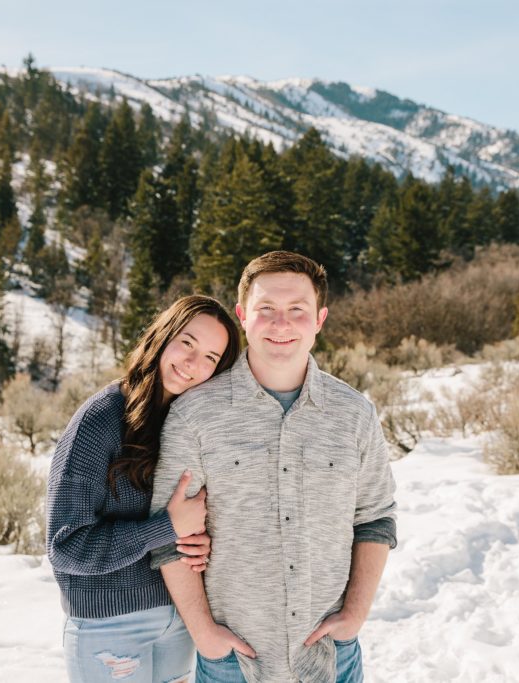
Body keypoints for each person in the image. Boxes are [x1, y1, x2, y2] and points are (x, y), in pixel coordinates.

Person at [149, 251, 398, 683]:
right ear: (244, 316)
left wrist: (355, 615)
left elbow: (375, 518)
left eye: (297, 310)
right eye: (267, 310)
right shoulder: (196, 415)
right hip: (233, 664)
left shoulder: (354, 414)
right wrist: (204, 634)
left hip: (331, 660)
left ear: (319, 319)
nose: (281, 324)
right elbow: (168, 535)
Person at [46, 295, 241, 683]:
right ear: (162, 335)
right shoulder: (101, 418)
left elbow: (191, 520)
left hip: (178, 621)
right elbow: (65, 546)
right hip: (110, 626)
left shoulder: (187, 426)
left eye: (210, 357)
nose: (193, 363)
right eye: (187, 343)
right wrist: (166, 527)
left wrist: (197, 542)